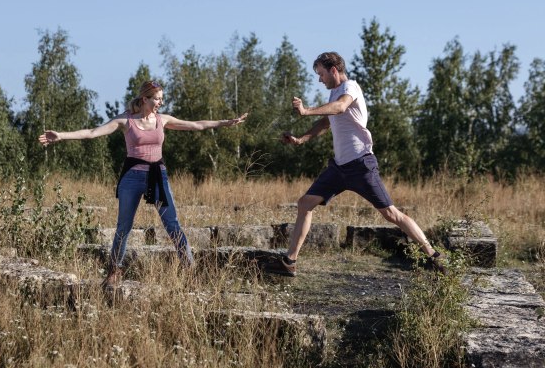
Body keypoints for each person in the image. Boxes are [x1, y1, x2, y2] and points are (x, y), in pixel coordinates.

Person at [39, 80, 247, 286]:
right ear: (144, 98)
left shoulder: (162, 120)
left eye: (161, 99)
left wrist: (225, 122)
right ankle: (114, 271)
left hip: (158, 175)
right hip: (132, 177)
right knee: (124, 226)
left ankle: (189, 268)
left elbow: (196, 125)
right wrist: (61, 136)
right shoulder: (125, 120)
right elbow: (92, 133)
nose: (160, 103)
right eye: (157, 99)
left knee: (172, 224)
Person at [264, 52, 446, 277]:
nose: (319, 79)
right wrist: (301, 139)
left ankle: (433, 255)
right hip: (339, 169)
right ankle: (290, 262)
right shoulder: (333, 94)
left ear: (333, 70)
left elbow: (340, 108)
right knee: (305, 204)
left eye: (321, 74)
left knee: (391, 213)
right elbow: (326, 121)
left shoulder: (351, 88)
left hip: (361, 165)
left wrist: (305, 111)